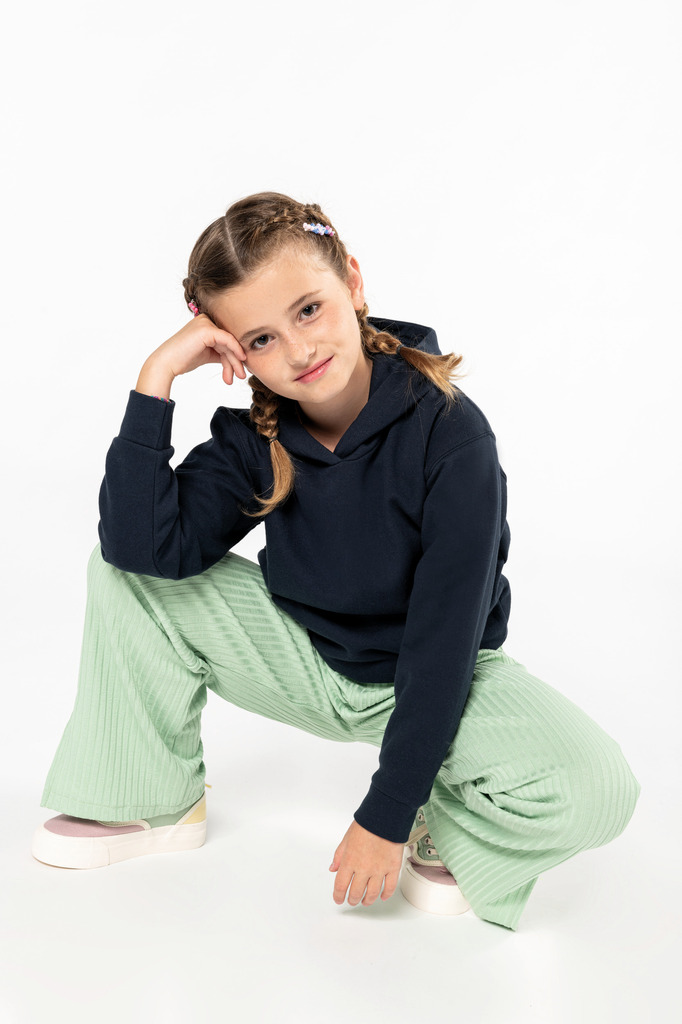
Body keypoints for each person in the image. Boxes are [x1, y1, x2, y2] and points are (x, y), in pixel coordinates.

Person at [32, 192, 641, 930]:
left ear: (352, 281)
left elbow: (445, 638)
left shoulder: (451, 435)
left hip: (437, 674)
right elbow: (140, 551)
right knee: (121, 574)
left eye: (308, 310)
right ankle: (153, 797)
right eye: (260, 339)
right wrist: (155, 376)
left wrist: (387, 814)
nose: (297, 351)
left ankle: (446, 822)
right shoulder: (255, 439)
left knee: (599, 788)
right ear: (229, 350)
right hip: (305, 662)